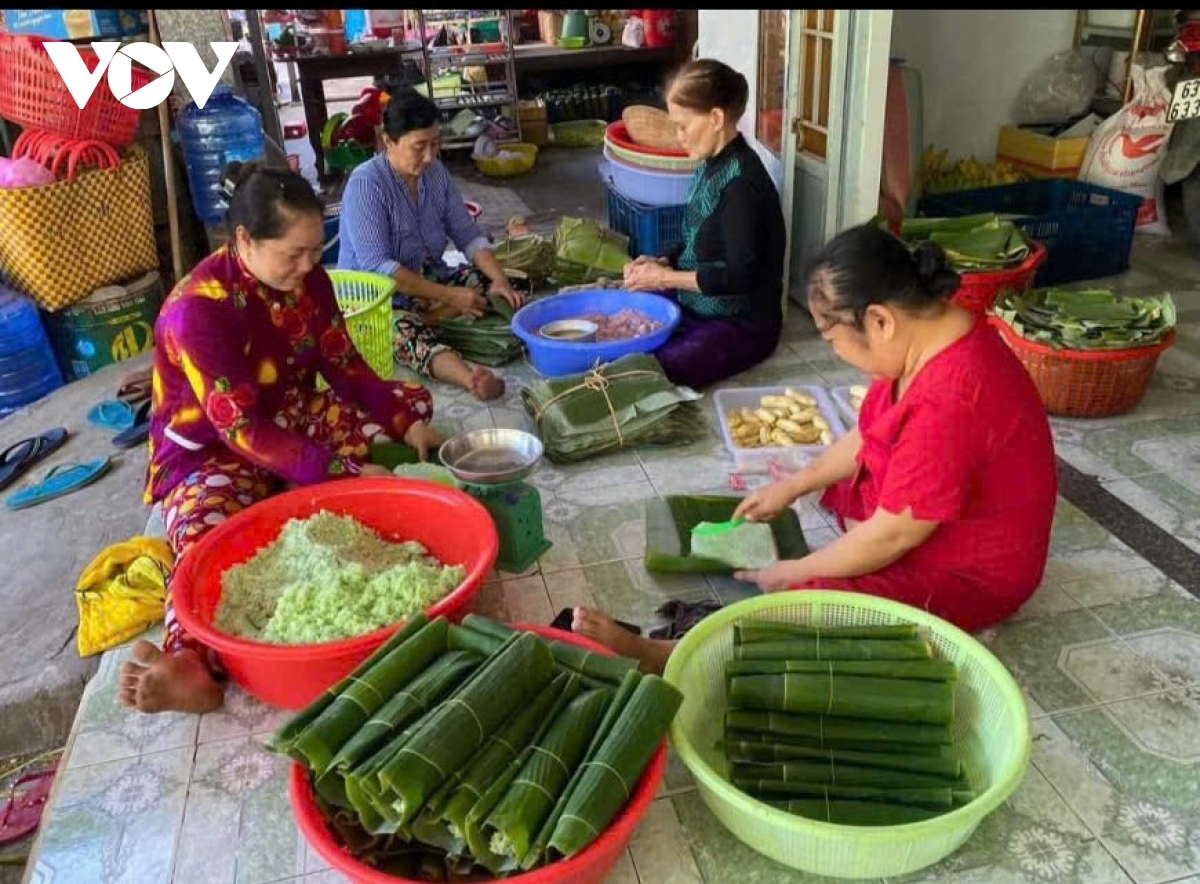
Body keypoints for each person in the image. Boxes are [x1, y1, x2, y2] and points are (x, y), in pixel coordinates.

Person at [576, 223, 1058, 673]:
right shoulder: (928, 337)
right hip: (927, 520)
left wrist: (796, 571)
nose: (836, 354)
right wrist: (792, 486)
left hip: (973, 572)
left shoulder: (953, 396)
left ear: (880, 321)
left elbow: (894, 535)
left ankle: (666, 654)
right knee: (848, 480)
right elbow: (871, 432)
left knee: (813, 598)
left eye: (833, 340)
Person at [119, 162, 443, 715]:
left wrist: (404, 424)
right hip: (214, 449)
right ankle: (190, 662)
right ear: (243, 239)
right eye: (293, 254)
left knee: (410, 402)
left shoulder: (309, 281)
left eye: (316, 251)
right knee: (206, 539)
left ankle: (303, 481)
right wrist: (343, 474)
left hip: (289, 416)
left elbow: (347, 367)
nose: (309, 265)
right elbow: (242, 430)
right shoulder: (198, 311)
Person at [338, 89, 523, 402]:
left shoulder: (435, 174)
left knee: (500, 284)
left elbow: (467, 233)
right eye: (419, 146)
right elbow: (378, 268)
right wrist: (451, 296)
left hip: (428, 279)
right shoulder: (366, 184)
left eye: (435, 143)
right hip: (380, 299)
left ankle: (437, 316)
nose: (429, 156)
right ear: (389, 141)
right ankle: (470, 378)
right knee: (403, 335)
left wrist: (499, 279)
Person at [623, 59, 786, 390]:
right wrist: (661, 260)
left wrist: (665, 278)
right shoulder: (709, 165)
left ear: (715, 118)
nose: (678, 136)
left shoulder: (742, 183)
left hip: (741, 323)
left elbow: (740, 276)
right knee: (625, 320)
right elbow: (696, 238)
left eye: (684, 126)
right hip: (699, 305)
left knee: (653, 370)